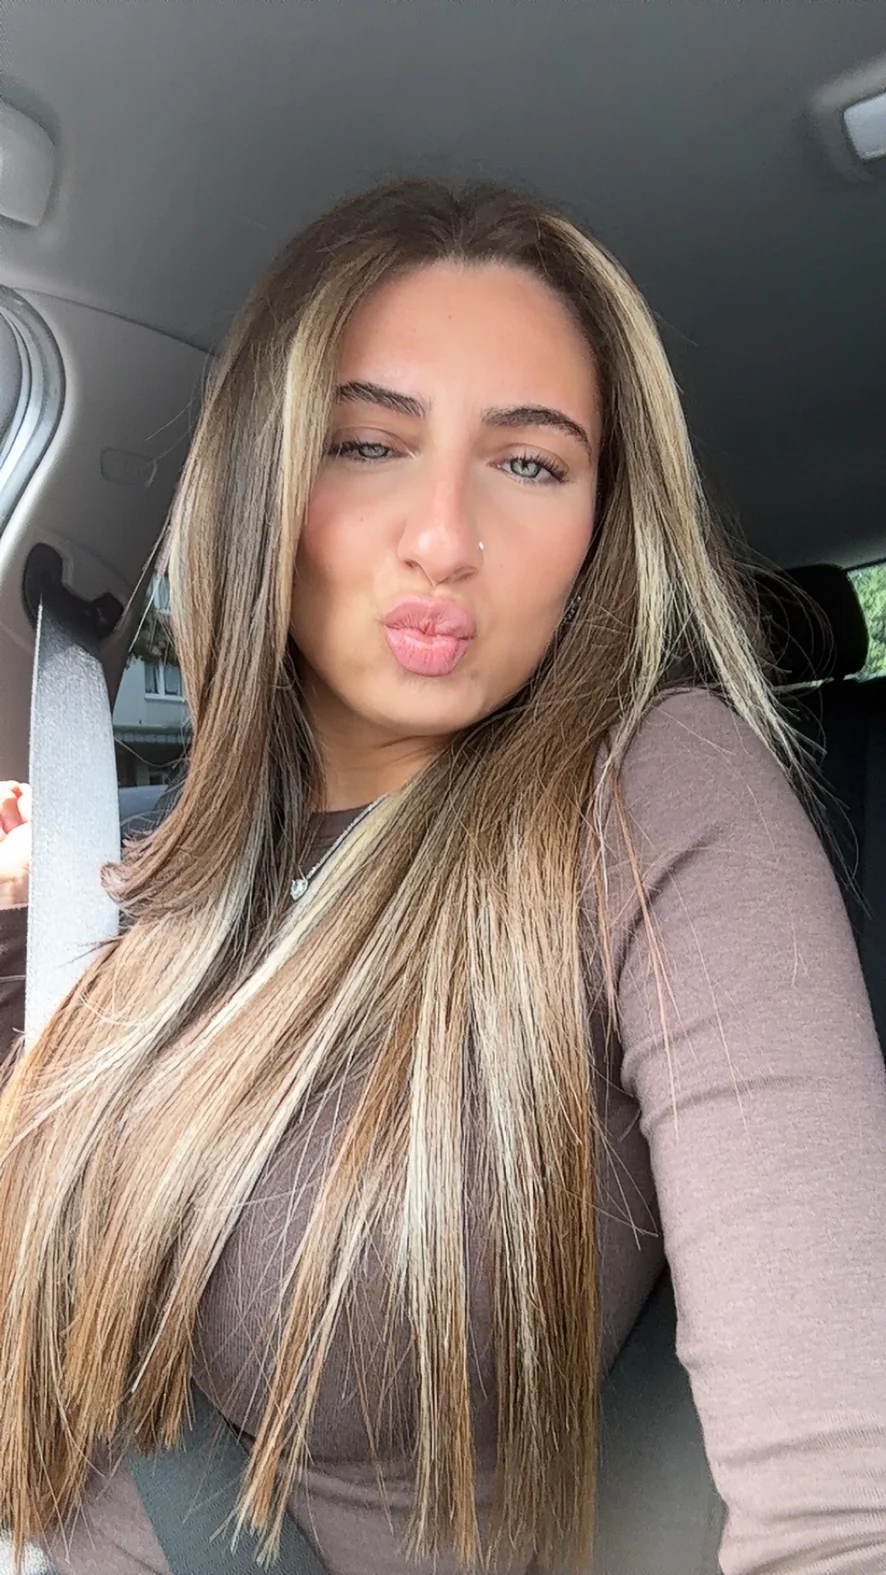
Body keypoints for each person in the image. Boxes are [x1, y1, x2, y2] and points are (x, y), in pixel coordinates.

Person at [0, 176, 885, 1575]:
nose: (444, 537)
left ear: (601, 523)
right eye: (366, 444)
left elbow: (846, 1495)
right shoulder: (155, 870)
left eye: (529, 464)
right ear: (264, 483)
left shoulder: (649, 792)